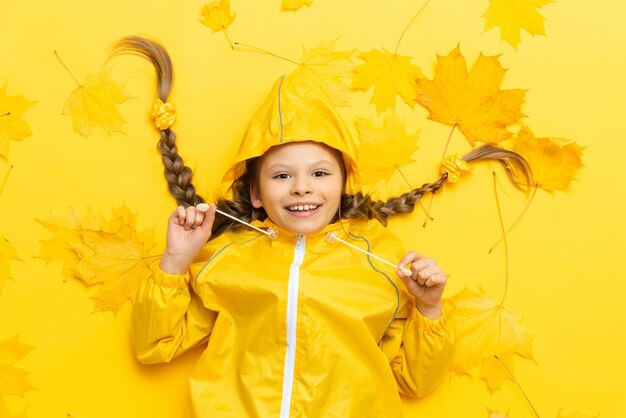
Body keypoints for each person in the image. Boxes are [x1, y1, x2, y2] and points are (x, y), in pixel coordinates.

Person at [113, 36, 531, 417]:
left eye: (319, 173)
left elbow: (415, 382)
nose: (301, 188)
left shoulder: (383, 260)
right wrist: (174, 262)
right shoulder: (224, 257)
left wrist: (429, 308)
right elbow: (154, 347)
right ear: (256, 193)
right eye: (281, 176)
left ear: (344, 182)